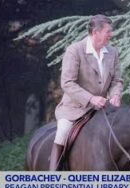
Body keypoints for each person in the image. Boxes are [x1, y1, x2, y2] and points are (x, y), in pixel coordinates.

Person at [49, 15, 123, 171]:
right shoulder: (74, 50)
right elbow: (67, 83)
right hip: (74, 108)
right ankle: (52, 178)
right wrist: (91, 98)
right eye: (108, 32)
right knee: (62, 132)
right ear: (96, 32)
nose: (111, 35)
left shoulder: (112, 52)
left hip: (103, 108)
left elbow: (117, 81)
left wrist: (115, 95)